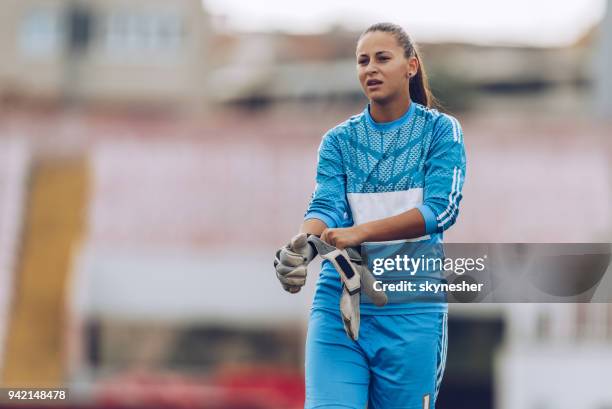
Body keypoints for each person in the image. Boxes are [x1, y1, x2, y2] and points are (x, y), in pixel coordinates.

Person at [274, 22, 466, 409]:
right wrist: (302, 247)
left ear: (410, 66)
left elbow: (440, 209)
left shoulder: (440, 132)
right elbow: (325, 208)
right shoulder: (338, 141)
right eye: (362, 61)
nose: (370, 69)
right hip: (342, 303)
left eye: (382, 58)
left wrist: (360, 233)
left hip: (412, 309)